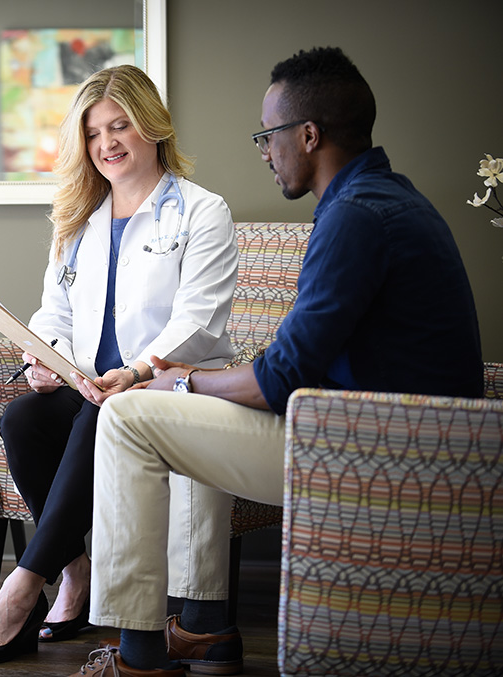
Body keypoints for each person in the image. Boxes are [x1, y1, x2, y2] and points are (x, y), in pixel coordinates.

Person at [65, 46, 484, 677]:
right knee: (186, 401)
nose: (265, 151)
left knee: (129, 416)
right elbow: (301, 355)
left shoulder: (354, 219)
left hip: (371, 450)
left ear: (309, 135)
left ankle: (139, 655)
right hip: (385, 433)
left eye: (270, 136)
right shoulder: (384, 201)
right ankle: (200, 627)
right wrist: (198, 386)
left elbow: (280, 376)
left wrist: (188, 380)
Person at [0, 64, 240, 665]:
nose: (106, 143)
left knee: (105, 417)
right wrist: (42, 358)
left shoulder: (201, 211)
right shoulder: (79, 220)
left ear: (152, 127)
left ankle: (22, 588)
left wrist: (133, 373)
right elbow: (54, 310)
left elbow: (200, 320)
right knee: (24, 419)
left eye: (120, 125)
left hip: (165, 386)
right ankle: (74, 573)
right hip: (92, 386)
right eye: (92, 132)